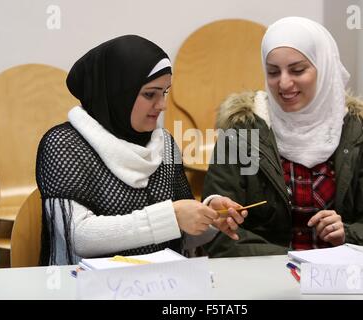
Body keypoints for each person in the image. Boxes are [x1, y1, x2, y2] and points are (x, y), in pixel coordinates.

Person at [36, 35, 246, 265]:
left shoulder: (164, 143)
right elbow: (79, 236)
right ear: (118, 93)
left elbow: (178, 236)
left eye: (164, 92)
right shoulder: (64, 145)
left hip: (159, 284)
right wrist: (173, 216)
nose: (162, 105)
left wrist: (210, 217)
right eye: (150, 94)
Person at [202, 17, 363, 257]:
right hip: (266, 281)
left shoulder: (353, 131)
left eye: (298, 70)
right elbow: (220, 235)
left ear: (323, 68)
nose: (283, 83)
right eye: (272, 72)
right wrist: (290, 262)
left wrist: (347, 233)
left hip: (337, 278)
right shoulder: (241, 131)